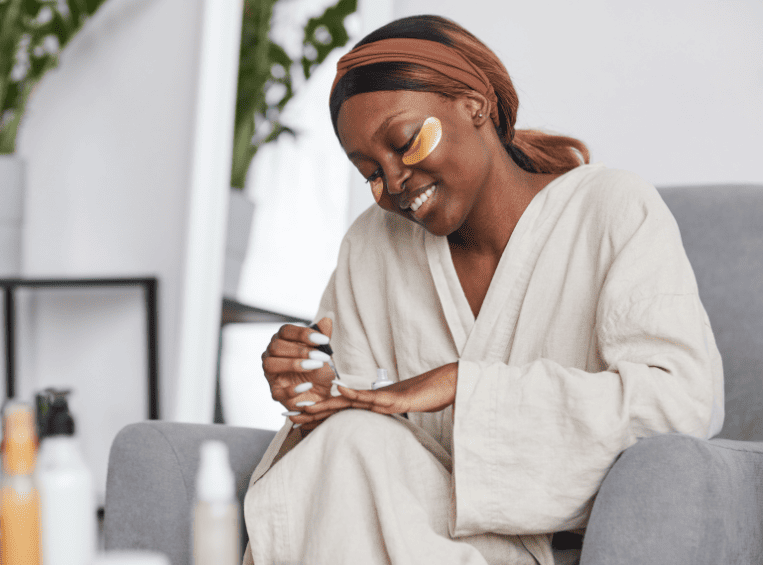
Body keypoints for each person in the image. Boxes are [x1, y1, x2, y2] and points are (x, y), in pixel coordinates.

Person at [244, 14, 723, 565]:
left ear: (476, 105)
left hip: (537, 548)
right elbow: (337, 464)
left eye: (405, 143)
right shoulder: (372, 246)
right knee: (348, 439)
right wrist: (313, 398)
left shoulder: (611, 210)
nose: (394, 182)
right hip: (394, 535)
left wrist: (461, 386)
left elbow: (682, 404)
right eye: (369, 172)